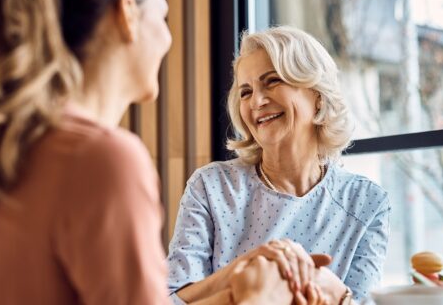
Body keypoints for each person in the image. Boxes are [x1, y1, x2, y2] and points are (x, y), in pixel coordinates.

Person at [0, 0, 301, 304]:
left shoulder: (25, 148)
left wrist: (237, 286)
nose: (169, 38)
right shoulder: (103, 160)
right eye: (164, 18)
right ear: (128, 14)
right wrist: (257, 298)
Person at [167, 26, 391, 303]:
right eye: (245, 92)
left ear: (317, 94)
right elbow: (172, 299)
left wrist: (328, 288)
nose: (257, 101)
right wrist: (245, 269)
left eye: (272, 81)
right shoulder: (210, 187)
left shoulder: (367, 202)